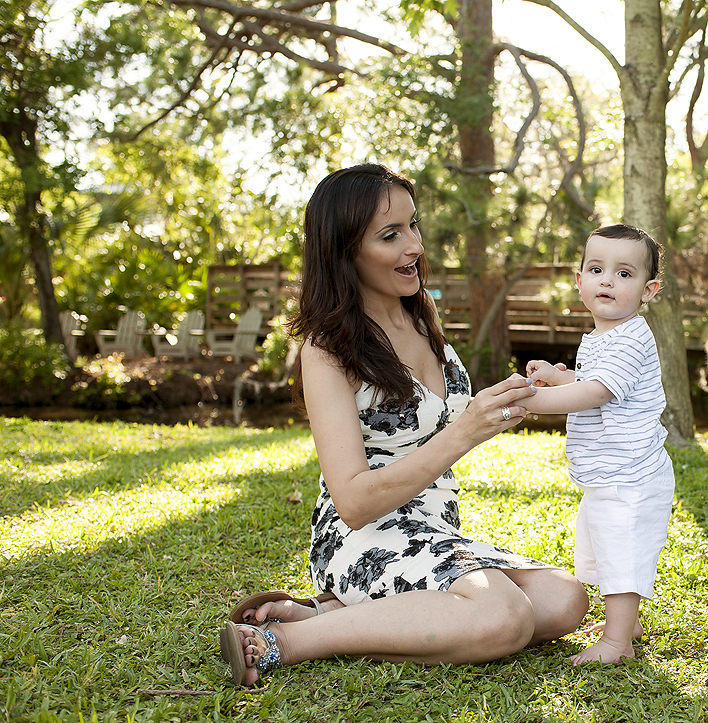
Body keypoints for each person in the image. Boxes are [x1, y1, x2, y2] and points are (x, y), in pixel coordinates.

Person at [220, 164, 588, 686]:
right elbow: (353, 501)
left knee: (564, 599)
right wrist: (466, 431)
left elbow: (445, 414)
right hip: (363, 534)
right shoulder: (327, 350)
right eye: (390, 235)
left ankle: (327, 613)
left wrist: (526, 394)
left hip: (434, 528)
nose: (414, 245)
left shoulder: (421, 314)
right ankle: (285, 641)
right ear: (345, 251)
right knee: (504, 616)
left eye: (412, 225)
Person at [521, 224, 675, 665]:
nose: (607, 280)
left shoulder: (633, 337)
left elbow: (596, 392)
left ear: (648, 290)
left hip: (631, 476)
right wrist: (557, 376)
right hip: (609, 473)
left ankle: (617, 643)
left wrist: (531, 401)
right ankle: (626, 624)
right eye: (596, 269)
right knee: (604, 549)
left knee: (621, 554)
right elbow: (588, 380)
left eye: (624, 273)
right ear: (579, 281)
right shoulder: (604, 336)